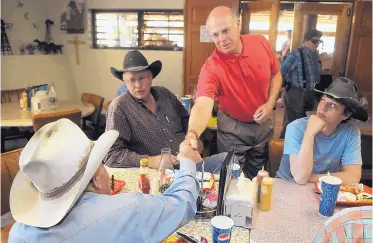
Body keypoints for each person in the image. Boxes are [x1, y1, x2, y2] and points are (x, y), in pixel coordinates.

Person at [8, 118, 202, 243]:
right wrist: (187, 161)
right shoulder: (131, 209)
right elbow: (182, 203)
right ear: (96, 180)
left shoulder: (17, 235)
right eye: (101, 164)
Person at [183, 6, 282, 179]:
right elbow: (203, 103)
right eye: (215, 35)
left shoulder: (260, 42)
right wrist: (192, 133)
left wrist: (270, 103)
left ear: (238, 23)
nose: (222, 40)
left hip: (263, 123)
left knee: (257, 175)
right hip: (232, 127)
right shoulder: (211, 67)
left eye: (225, 31)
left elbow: (276, 75)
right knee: (231, 178)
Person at [105, 50, 227, 173]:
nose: (137, 85)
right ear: (124, 82)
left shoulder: (164, 94)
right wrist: (154, 161)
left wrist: (195, 142)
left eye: (142, 78)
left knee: (228, 161)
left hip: (189, 164)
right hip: (158, 174)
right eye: (131, 80)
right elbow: (112, 156)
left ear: (151, 77)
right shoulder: (119, 107)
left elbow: (186, 121)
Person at [277, 77, 368, 185]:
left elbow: (353, 177)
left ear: (345, 114)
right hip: (288, 185)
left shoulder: (350, 132)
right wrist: (309, 133)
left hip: (322, 188)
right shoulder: (296, 127)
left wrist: (311, 178)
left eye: (332, 105)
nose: (323, 108)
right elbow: (300, 178)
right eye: (322, 101)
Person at [280, 29, 323, 138]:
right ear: (306, 40)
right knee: (294, 123)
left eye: (319, 41)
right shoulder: (296, 54)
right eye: (315, 41)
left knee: (304, 122)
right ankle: (282, 148)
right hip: (296, 93)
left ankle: (295, 147)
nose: (317, 44)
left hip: (311, 93)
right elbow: (282, 71)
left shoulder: (316, 55)